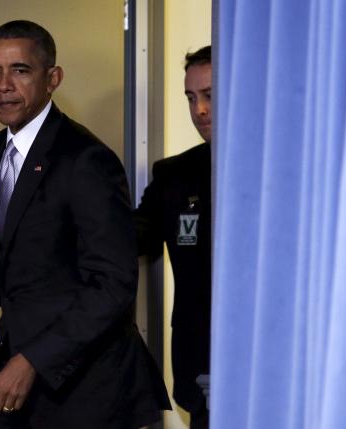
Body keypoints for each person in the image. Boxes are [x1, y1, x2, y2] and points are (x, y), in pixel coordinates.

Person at [0, 20, 170, 429]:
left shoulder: (85, 159)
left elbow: (113, 283)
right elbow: (15, 252)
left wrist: (34, 359)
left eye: (20, 70)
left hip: (88, 384)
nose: (3, 85)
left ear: (52, 78)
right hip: (31, 360)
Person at [134, 45, 212, 429]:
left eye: (210, 95)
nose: (200, 110)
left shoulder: (291, 168)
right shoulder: (176, 175)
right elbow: (132, 238)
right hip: (201, 368)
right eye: (191, 97)